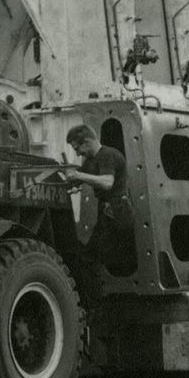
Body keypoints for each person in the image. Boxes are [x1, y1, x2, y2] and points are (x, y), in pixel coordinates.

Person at [64, 125, 135, 304]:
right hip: (107, 214)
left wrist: (78, 176)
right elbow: (80, 180)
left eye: (77, 148)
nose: (78, 153)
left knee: (90, 258)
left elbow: (106, 182)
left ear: (87, 142)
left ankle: (95, 305)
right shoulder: (90, 162)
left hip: (117, 213)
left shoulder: (108, 155)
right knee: (88, 256)